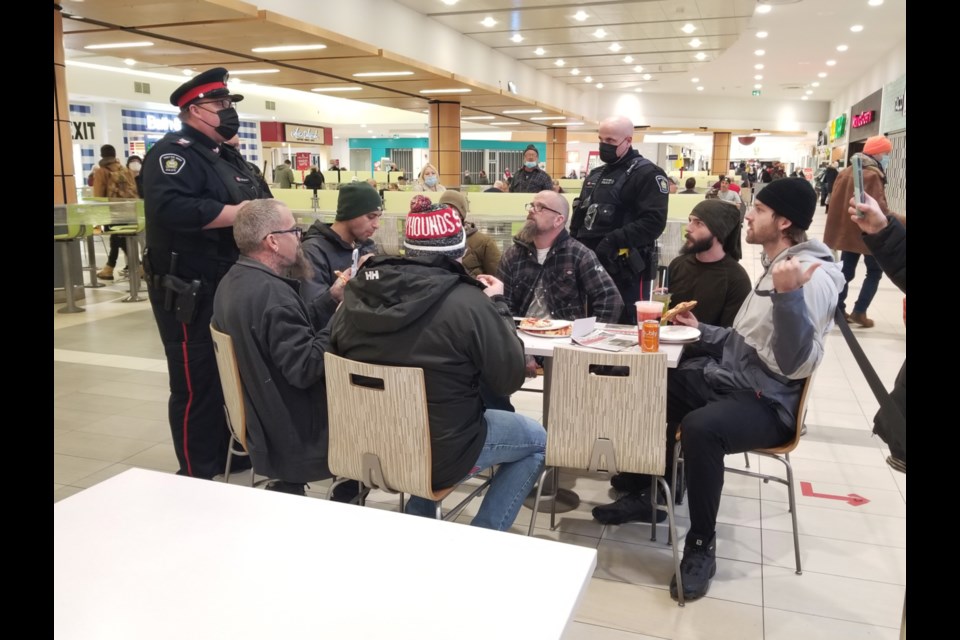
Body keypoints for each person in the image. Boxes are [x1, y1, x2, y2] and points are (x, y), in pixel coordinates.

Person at [594, 178, 844, 602]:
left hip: (768, 404)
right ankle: (651, 490)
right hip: (735, 381)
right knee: (656, 384)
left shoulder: (809, 277)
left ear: (783, 221)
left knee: (702, 428)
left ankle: (700, 544)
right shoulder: (775, 265)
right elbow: (744, 342)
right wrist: (701, 330)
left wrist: (788, 298)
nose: (747, 215)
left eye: (759, 210)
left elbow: (795, 362)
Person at [327, 199, 547, 532]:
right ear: (460, 252)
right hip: (441, 453)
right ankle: (484, 534)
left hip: (366, 442)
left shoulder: (355, 295)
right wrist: (499, 305)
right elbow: (509, 379)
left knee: (436, 418)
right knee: (538, 441)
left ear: (407, 248)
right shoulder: (469, 303)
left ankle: (422, 523)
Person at [140, 67, 269, 480]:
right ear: (195, 110)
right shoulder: (171, 154)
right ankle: (197, 469)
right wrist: (242, 216)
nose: (228, 111)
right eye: (221, 105)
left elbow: (258, 197)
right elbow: (171, 208)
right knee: (196, 382)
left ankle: (232, 453)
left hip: (231, 283)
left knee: (231, 374)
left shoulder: (224, 155)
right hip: (189, 290)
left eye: (228, 103)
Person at [607, 199, 751, 496]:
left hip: (705, 366)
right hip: (666, 352)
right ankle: (640, 468)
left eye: (698, 223)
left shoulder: (736, 278)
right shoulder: (678, 265)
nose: (689, 229)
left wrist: (697, 329)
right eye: (690, 221)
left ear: (718, 232)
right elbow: (665, 318)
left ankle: (660, 487)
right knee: (623, 376)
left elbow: (733, 342)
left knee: (661, 391)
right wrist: (661, 305)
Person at [211, 199, 337, 496]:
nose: (299, 237)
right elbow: (305, 369)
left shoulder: (234, 281)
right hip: (294, 431)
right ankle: (347, 495)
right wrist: (342, 319)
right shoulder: (273, 295)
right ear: (273, 242)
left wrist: (331, 299)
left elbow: (285, 332)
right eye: (294, 231)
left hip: (260, 417)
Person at [570, 115, 669, 322]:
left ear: (628, 141)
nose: (604, 145)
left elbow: (653, 222)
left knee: (626, 324)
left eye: (610, 141)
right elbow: (582, 213)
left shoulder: (648, 174)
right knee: (591, 320)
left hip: (626, 268)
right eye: (601, 139)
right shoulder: (595, 175)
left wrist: (611, 241)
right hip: (590, 264)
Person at [499, 190, 623, 326]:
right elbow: (501, 302)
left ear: (558, 220)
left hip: (564, 338)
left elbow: (611, 300)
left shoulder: (578, 254)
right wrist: (511, 334)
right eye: (531, 205)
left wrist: (586, 334)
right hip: (522, 339)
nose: (532, 210)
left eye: (540, 207)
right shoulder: (513, 255)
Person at [848, 192, 906, 471]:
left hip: (859, 240)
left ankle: (857, 309)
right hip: (867, 237)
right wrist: (883, 229)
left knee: (864, 274)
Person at [823, 135, 892, 328]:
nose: (887, 157)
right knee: (875, 271)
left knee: (845, 271)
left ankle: (837, 309)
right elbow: (879, 208)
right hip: (869, 233)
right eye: (886, 153)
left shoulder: (846, 171)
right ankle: (860, 312)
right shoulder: (872, 174)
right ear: (877, 152)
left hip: (848, 231)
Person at [300, 182, 380, 328]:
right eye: (371, 216)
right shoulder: (313, 251)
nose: (377, 224)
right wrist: (336, 294)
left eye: (378, 217)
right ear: (350, 213)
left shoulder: (366, 246)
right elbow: (309, 315)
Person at [93, 144, 139, 280]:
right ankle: (111, 267)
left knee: (118, 239)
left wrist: (98, 213)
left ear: (102, 155)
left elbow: (99, 194)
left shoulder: (102, 171)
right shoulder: (125, 169)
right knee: (118, 239)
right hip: (129, 211)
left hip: (113, 211)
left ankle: (137, 266)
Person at [438, 190, 501, 277]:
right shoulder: (429, 242)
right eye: (444, 207)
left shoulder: (484, 243)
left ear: (461, 214)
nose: (447, 213)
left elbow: (498, 278)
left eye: (453, 208)